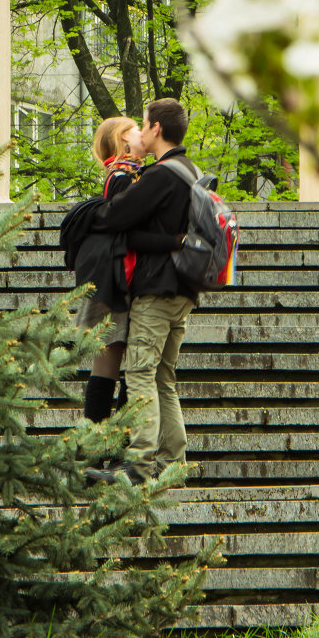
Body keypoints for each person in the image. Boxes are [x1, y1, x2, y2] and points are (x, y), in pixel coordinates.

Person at [88, 98, 198, 485]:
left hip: (157, 288)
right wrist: (170, 239)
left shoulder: (162, 175)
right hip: (185, 289)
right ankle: (173, 463)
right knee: (163, 377)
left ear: (155, 129)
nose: (140, 130)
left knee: (139, 374)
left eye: (144, 123)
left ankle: (139, 465)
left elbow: (111, 216)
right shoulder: (190, 170)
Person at [74, 116, 146, 423]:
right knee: (112, 363)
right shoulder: (123, 174)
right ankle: (102, 447)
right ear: (123, 138)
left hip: (115, 278)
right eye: (136, 129)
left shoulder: (123, 171)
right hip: (118, 280)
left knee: (113, 362)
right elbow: (123, 222)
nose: (144, 132)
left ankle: (99, 448)